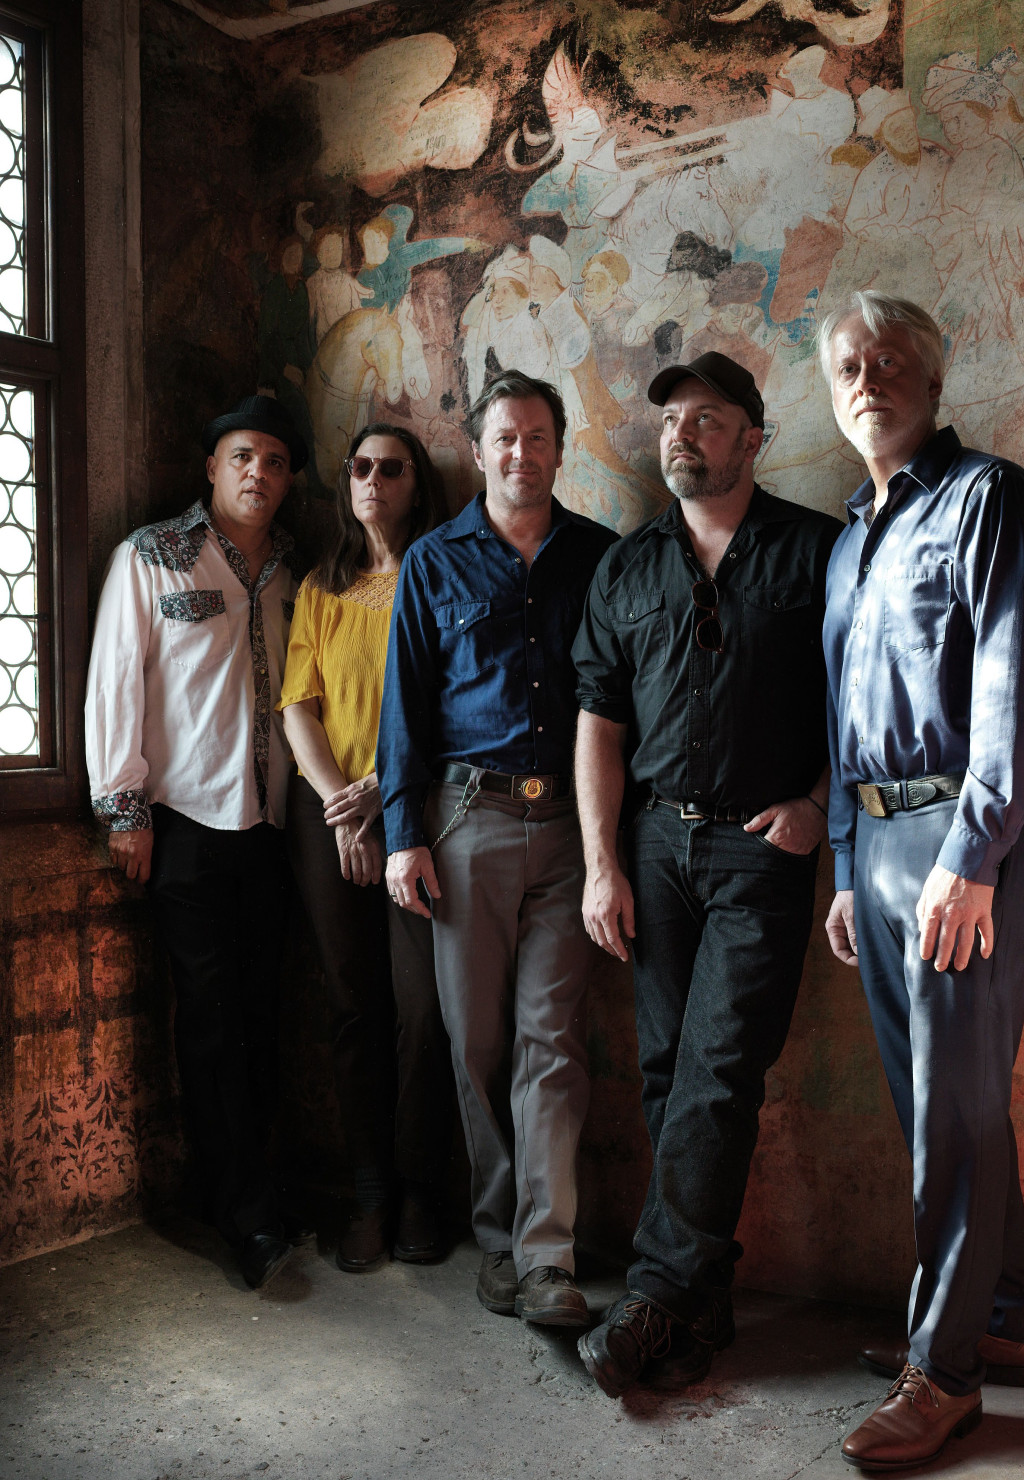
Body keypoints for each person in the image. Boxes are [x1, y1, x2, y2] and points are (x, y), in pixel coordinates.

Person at [818, 291, 1024, 1470]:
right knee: (938, 1105)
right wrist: (842, 863)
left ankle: (947, 1372)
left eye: (889, 361)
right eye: (848, 366)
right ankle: (1003, 1317)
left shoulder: (988, 497)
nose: (867, 379)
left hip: (968, 841)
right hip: (874, 846)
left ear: (931, 379)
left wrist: (971, 857)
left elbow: (1022, 684)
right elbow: (839, 716)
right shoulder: (848, 541)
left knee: (955, 1113)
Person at [572, 350, 842, 1396]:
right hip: (653, 846)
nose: (681, 434)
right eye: (671, 420)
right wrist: (602, 864)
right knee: (664, 1070)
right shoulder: (627, 567)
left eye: (708, 419)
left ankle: (651, 1297)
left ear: (753, 440)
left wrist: (817, 803)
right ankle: (701, 1299)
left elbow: (860, 694)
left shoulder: (817, 550)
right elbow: (599, 724)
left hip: (760, 850)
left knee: (719, 1069)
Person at [377, 370, 617, 1326]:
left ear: (560, 448)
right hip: (465, 820)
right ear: (478, 452)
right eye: (505, 438)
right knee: (475, 1041)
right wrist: (403, 836)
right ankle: (497, 1239)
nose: (523, 453)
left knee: (551, 1041)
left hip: (569, 829)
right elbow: (404, 707)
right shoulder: (433, 562)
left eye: (538, 437)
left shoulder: (600, 557)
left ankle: (547, 1255)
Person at [85, 395, 307, 1291]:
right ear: (212, 466)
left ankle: (250, 1190)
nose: (259, 473)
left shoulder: (296, 567)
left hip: (272, 828)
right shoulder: (150, 555)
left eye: (276, 462)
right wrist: (124, 810)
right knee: (211, 1022)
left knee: (261, 1017)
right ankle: (247, 1219)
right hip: (183, 824)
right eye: (243, 456)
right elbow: (116, 679)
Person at [277, 422, 455, 1273]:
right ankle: (371, 1193)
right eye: (360, 467)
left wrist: (387, 789)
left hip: (418, 810)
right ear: (345, 482)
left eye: (391, 468)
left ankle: (423, 1190)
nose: (373, 480)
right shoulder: (321, 586)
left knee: (423, 1011)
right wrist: (340, 809)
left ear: (416, 485)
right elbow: (297, 706)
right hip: (331, 817)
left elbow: (451, 701)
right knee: (354, 1007)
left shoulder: (441, 572)